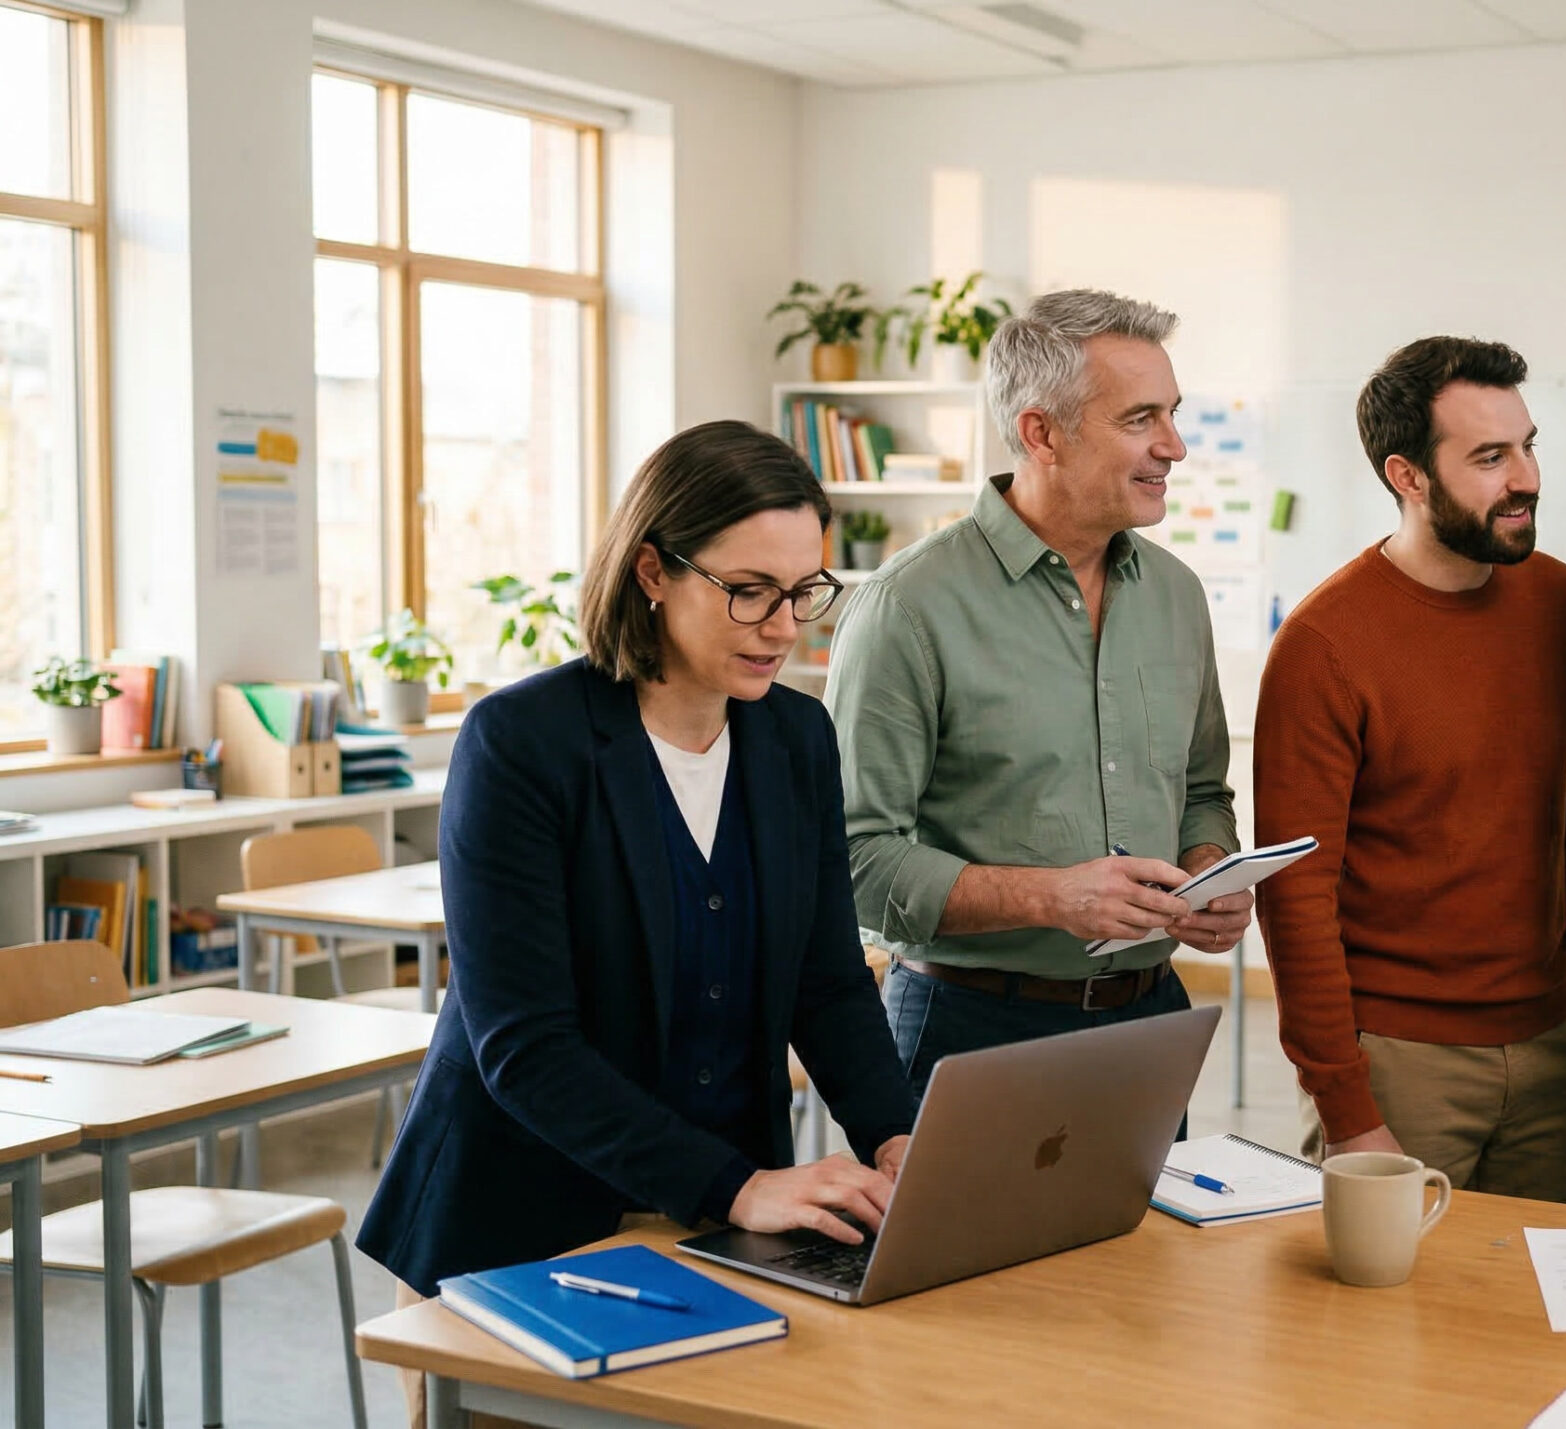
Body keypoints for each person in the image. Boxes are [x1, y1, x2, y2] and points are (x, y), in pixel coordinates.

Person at [358, 419, 921, 1316]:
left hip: (718, 1226)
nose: (784, 627)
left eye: (802, 591)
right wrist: (737, 1186)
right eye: (749, 592)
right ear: (653, 571)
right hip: (514, 1220)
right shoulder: (521, 743)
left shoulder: (797, 737)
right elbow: (526, 1047)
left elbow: (825, 981)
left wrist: (894, 1135)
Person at [829, 289, 1244, 1097]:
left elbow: (1201, 790)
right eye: (1141, 419)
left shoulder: (1176, 595)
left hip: (1152, 1018)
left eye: (1174, 414)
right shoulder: (906, 606)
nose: (1175, 445)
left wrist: (1209, 869)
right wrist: (1052, 897)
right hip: (970, 1024)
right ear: (1040, 433)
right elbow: (853, 858)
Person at [1255, 336, 1566, 1202]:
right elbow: (1296, 895)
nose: (1526, 477)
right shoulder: (1323, 644)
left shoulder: (1560, 603)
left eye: (1527, 446)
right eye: (1489, 457)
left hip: (1557, 1044)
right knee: (1387, 1294)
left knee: (1528, 1288)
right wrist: (1344, 1101)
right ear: (1407, 476)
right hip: (1400, 1063)